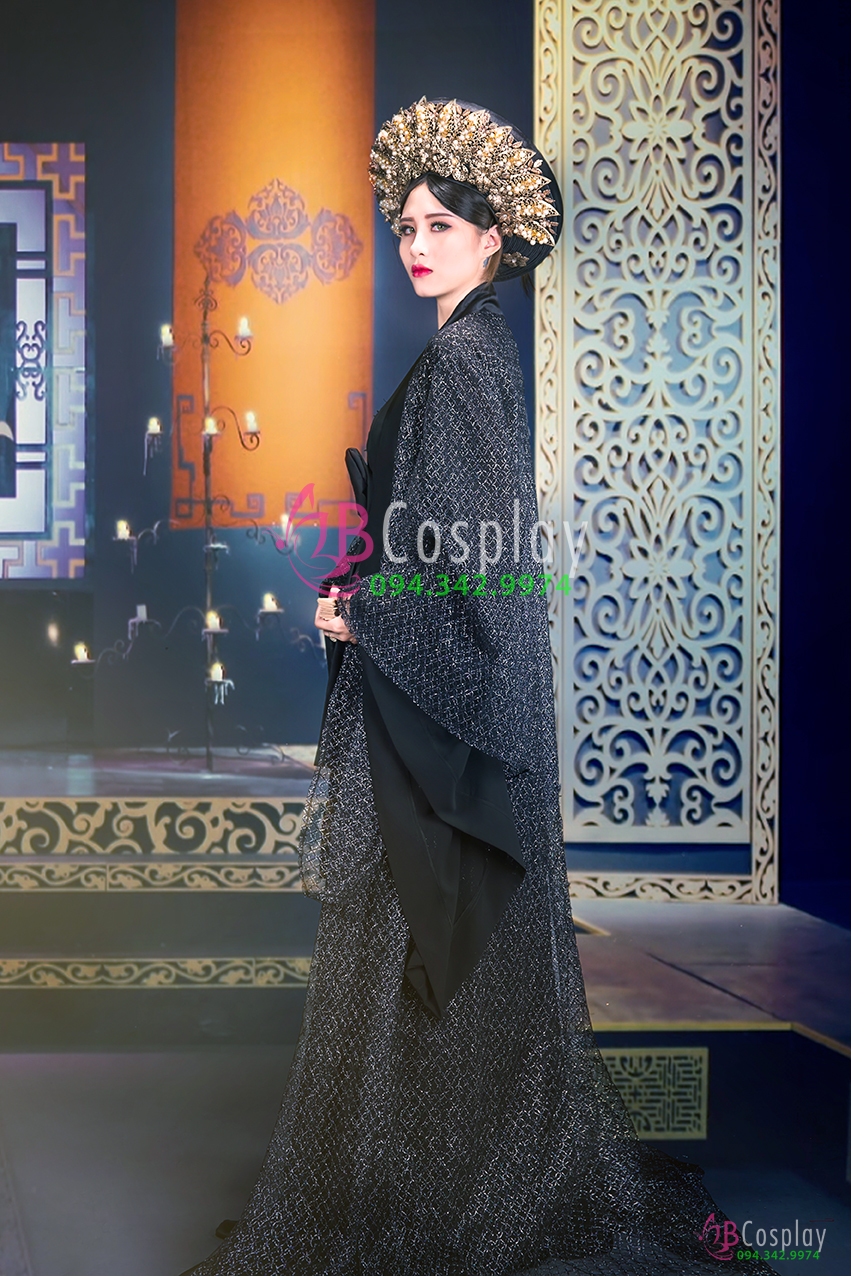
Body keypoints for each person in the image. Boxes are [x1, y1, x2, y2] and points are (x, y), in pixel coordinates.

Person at [178, 98, 777, 1276]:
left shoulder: (463, 361)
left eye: (440, 225)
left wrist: (357, 611)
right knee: (441, 956)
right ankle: (454, 1173)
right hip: (441, 711)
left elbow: (483, 584)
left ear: (492, 237)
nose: (415, 242)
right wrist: (371, 591)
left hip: (444, 726)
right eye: (405, 224)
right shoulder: (472, 350)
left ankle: (439, 1191)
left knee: (425, 945)